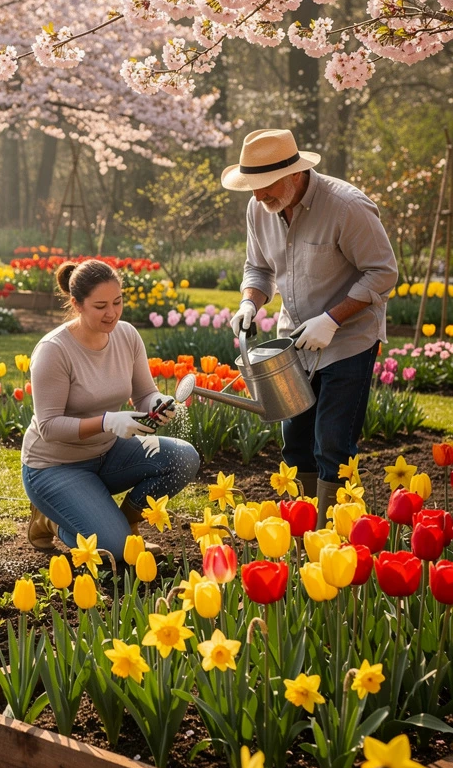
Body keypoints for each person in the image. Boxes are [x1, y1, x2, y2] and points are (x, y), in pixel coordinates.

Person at [224, 129, 398, 528]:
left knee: (333, 443)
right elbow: (259, 268)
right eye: (251, 188)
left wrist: (333, 318)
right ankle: (304, 532)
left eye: (264, 187)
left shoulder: (345, 206)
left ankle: (333, 534)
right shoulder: (261, 209)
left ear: (294, 174)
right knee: (296, 442)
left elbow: (383, 273)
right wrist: (250, 301)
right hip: (295, 343)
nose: (256, 197)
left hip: (348, 340)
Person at [23, 259, 200, 560]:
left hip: (107, 455)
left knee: (184, 458)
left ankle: (126, 524)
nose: (112, 313)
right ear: (77, 304)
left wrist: (156, 404)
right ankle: (49, 520)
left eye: (117, 302)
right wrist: (106, 421)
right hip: (55, 466)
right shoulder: (54, 350)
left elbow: (144, 393)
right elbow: (49, 427)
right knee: (113, 552)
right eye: (101, 306)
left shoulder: (126, 335)